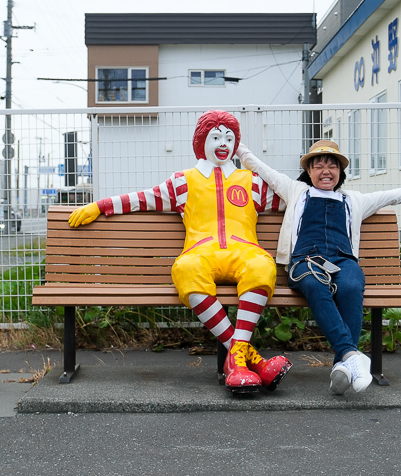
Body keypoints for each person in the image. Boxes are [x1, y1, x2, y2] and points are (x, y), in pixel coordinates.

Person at [68, 110, 293, 394]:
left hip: (244, 251)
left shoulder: (253, 183)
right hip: (201, 252)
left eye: (229, 137)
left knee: (263, 267)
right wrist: (100, 206)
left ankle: (236, 362)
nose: (223, 143)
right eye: (215, 137)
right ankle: (252, 359)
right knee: (186, 269)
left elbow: (294, 202)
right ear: (201, 142)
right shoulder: (183, 181)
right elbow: (142, 199)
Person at [236, 139, 401, 395]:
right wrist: (237, 145)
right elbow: (262, 168)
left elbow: (393, 195)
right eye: (319, 165)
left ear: (340, 172)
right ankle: (351, 355)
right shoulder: (295, 191)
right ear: (309, 171)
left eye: (332, 166)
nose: (326, 170)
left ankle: (343, 367)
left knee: (350, 286)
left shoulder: (354, 200)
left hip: (343, 261)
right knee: (317, 286)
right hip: (305, 261)